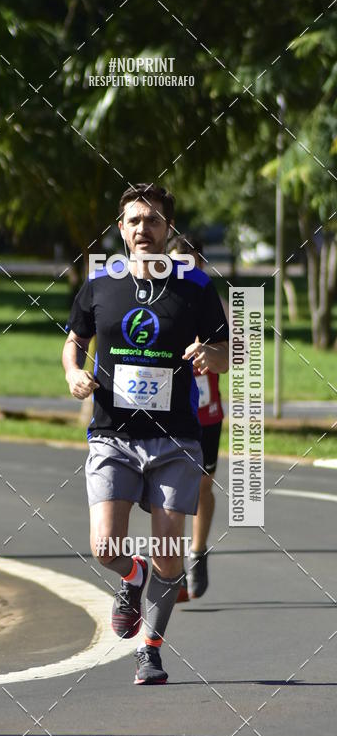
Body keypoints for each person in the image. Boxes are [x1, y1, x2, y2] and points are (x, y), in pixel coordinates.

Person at [62, 184, 229, 685]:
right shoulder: (100, 285)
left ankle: (150, 651)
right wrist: (74, 373)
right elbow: (74, 343)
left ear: (167, 230)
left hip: (177, 437)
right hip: (113, 434)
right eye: (134, 220)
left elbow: (228, 352)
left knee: (168, 552)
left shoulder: (196, 287)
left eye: (153, 221)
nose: (143, 229)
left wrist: (211, 357)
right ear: (121, 229)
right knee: (105, 547)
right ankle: (131, 577)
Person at [171, 236, 228, 601]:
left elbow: (237, 356)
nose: (185, 272)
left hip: (207, 413)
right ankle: (171, 570)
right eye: (177, 265)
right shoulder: (160, 302)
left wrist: (210, 349)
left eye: (192, 265)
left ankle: (198, 551)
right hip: (173, 411)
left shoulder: (214, 304)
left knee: (203, 487)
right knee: (169, 491)